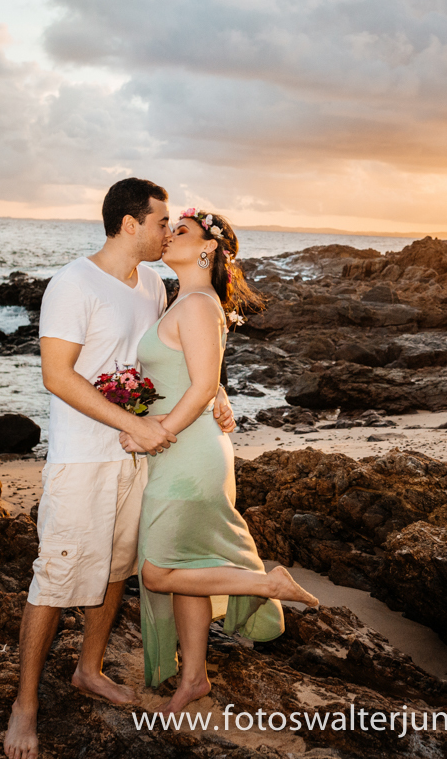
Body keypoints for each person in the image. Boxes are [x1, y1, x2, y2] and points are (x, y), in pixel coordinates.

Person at [3, 180, 236, 759]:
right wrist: (131, 425)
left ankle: (89, 669)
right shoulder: (72, 282)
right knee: (55, 578)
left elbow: (180, 353)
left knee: (116, 568)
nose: (167, 231)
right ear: (131, 224)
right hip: (85, 457)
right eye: (161, 222)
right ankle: (24, 706)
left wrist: (219, 392)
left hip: (143, 457)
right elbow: (57, 376)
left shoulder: (156, 284)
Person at [123, 208, 318, 715]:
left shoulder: (197, 304)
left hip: (187, 455)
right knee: (190, 562)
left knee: (159, 573)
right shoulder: (186, 300)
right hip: (183, 449)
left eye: (180, 230)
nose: (168, 236)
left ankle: (266, 585)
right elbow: (203, 374)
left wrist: (156, 433)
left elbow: (202, 383)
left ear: (208, 248)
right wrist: (218, 396)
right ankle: (194, 678)